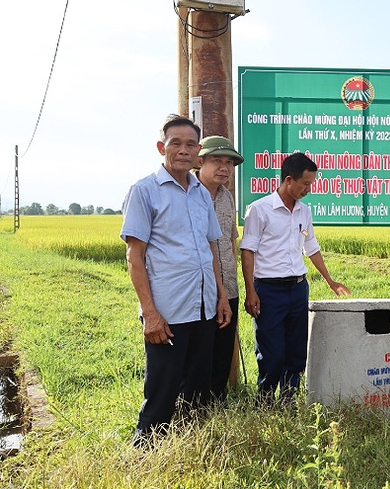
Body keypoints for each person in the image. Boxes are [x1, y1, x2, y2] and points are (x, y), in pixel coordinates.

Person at [121, 115, 232, 446]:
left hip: (204, 307)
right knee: (163, 388)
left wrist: (221, 296)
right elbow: (134, 256)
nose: (183, 150)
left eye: (190, 145)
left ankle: (190, 447)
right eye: (175, 143)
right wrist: (150, 313)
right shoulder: (144, 191)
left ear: (198, 151)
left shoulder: (200, 193)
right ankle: (145, 450)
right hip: (167, 311)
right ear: (162, 147)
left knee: (198, 386)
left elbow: (211, 247)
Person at [240, 152, 351, 403]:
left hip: (298, 289)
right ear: (289, 180)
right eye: (305, 184)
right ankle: (266, 401)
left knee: (296, 350)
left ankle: (288, 400)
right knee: (272, 352)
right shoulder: (259, 210)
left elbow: (311, 247)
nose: (308, 189)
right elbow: (248, 251)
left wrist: (330, 280)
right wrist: (251, 291)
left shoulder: (304, 212)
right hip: (268, 290)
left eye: (311, 184)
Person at [195, 135, 244, 402]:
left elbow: (231, 241)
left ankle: (217, 403)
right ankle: (195, 406)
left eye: (229, 162)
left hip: (229, 288)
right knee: (200, 352)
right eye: (217, 160)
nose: (224, 168)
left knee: (223, 350)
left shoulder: (227, 198)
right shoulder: (189, 194)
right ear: (200, 162)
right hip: (200, 291)